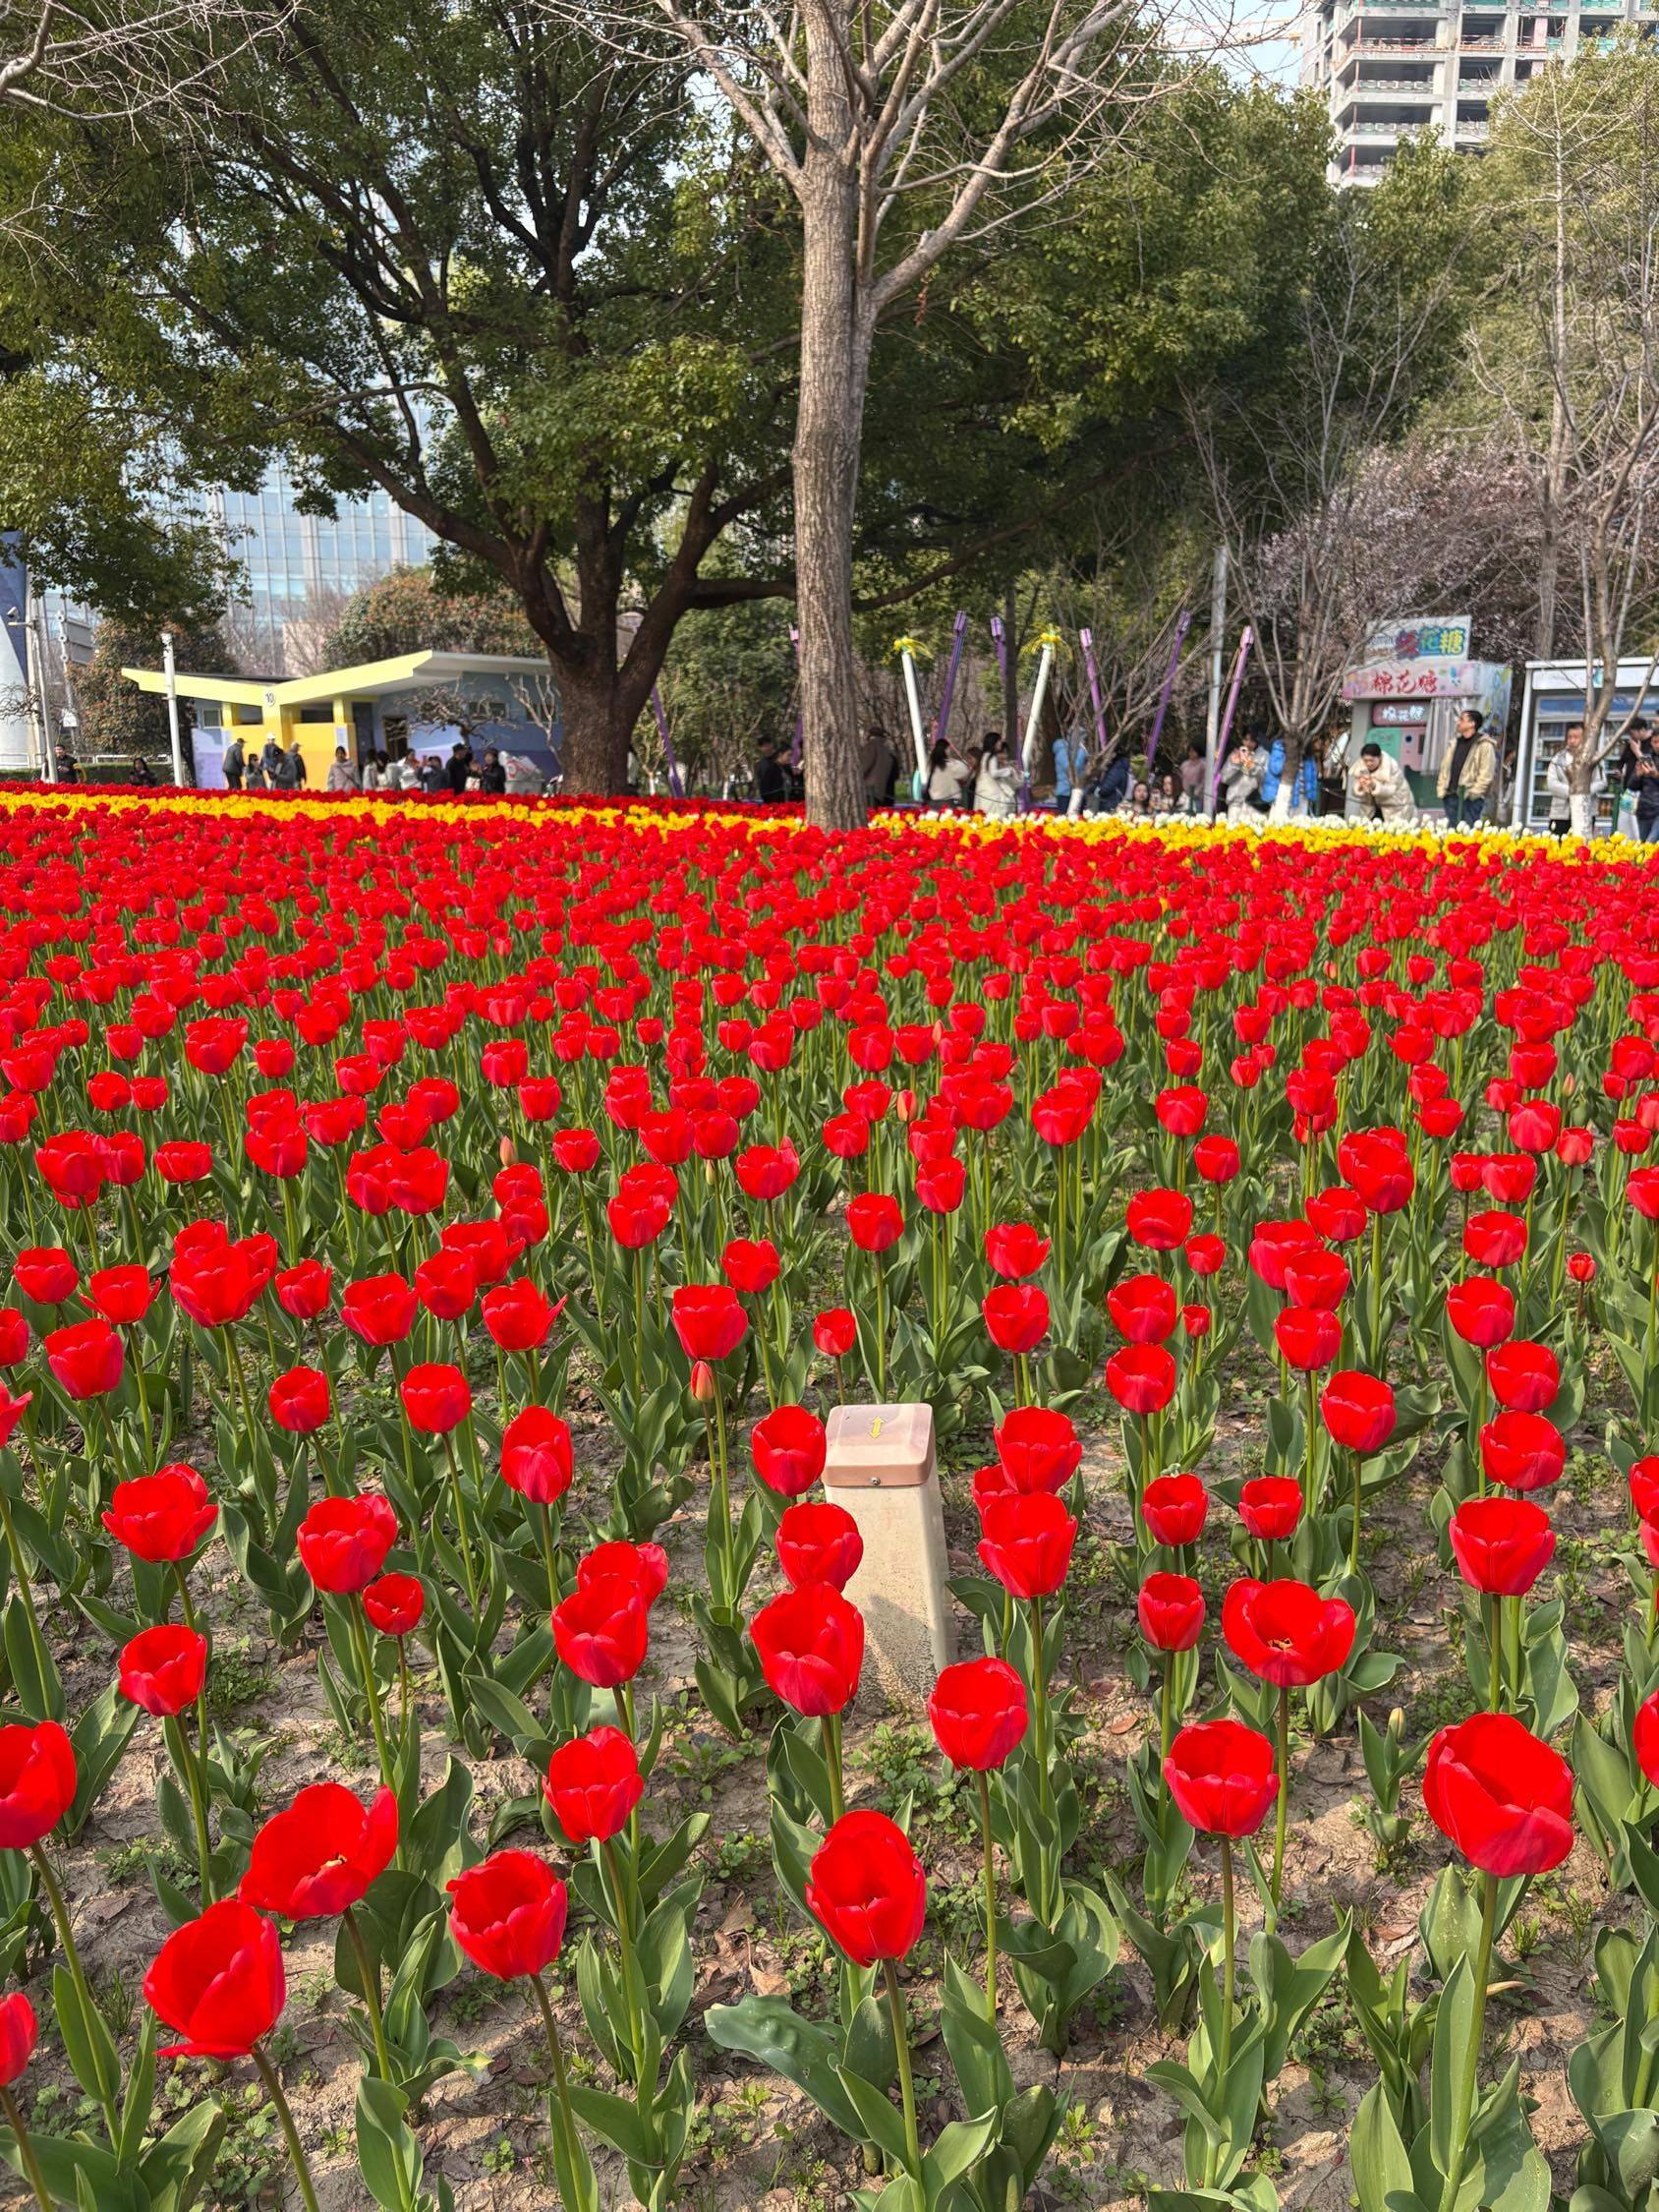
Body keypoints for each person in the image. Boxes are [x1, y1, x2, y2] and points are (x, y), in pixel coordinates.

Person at [1436, 708, 1498, 831]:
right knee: (1451, 835)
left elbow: (1486, 773)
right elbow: (1445, 768)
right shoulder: (1455, 743)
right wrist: (1441, 788)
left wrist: (1474, 793)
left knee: (1468, 835)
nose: (1458, 723)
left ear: (1472, 723)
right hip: (1451, 795)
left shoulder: (1485, 745)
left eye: (1462, 720)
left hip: (1470, 798)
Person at [1546, 722, 1605, 838]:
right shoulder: (1558, 759)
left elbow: (1602, 782)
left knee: (1582, 848)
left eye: (1576, 737)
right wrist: (1572, 791)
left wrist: (1583, 792)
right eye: (1570, 737)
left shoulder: (1593, 758)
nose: (1572, 741)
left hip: (1586, 812)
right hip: (1560, 814)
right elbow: (1551, 784)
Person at [1349, 739, 1413, 827]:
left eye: (1371, 760)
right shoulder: (1361, 767)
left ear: (1379, 757)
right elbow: (1355, 792)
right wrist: (1360, 786)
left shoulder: (1392, 767)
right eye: (1366, 760)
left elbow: (1391, 790)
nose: (1368, 763)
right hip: (1372, 807)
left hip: (1395, 805)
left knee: (1393, 832)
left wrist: (1374, 785)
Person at [1619, 721, 1659, 841]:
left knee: (1649, 844)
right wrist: (1638, 775)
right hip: (1644, 809)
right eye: (1655, 742)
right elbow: (1631, 786)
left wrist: (1656, 775)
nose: (1657, 745)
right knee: (1642, 846)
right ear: (1651, 742)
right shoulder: (1646, 758)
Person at [974, 729, 1020, 819]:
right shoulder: (992, 756)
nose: (1000, 744)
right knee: (993, 818)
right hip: (991, 794)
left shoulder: (984, 755)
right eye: (999, 742)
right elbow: (994, 773)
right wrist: (1009, 770)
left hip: (982, 792)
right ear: (994, 743)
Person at [1222, 735, 1264, 822]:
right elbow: (1224, 779)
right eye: (1246, 740)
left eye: (1252, 740)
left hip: (1253, 804)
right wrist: (1236, 765)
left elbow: (1265, 779)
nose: (1248, 743)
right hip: (1235, 803)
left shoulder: (1263, 755)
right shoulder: (1235, 754)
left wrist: (1254, 767)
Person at [926, 737, 971, 808]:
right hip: (950, 802)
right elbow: (965, 772)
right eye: (949, 749)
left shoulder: (931, 765)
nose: (950, 751)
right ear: (945, 750)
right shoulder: (951, 765)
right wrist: (952, 759)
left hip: (933, 802)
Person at [859, 726, 895, 810]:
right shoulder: (888, 749)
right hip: (883, 791)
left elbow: (863, 767)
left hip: (869, 790)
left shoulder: (871, 746)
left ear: (870, 735)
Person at [1179, 741, 1206, 811]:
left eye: (1193, 751)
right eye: (1190, 751)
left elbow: (1204, 781)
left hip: (1196, 797)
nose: (1191, 753)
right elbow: (1181, 778)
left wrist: (1197, 792)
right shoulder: (1184, 764)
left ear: (1198, 752)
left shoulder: (1202, 765)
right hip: (1184, 795)